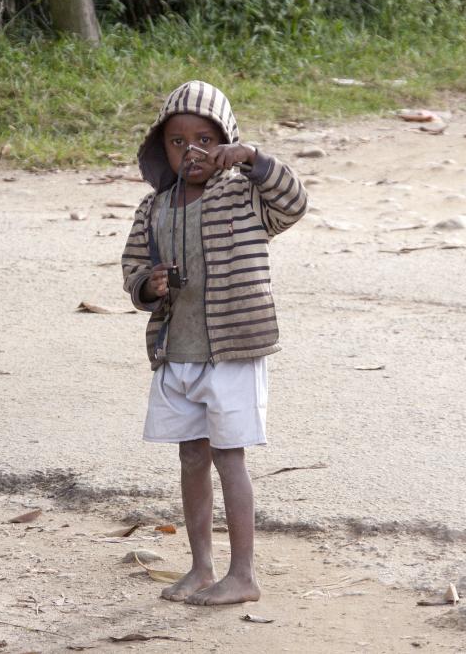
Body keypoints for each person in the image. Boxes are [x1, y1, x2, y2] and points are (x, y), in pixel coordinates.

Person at [121, 81, 308, 605]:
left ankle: (243, 575)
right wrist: (148, 284)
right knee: (191, 457)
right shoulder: (153, 208)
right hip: (176, 351)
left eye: (205, 139)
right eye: (178, 142)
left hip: (233, 351)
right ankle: (201, 567)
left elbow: (295, 204)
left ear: (226, 142)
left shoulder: (247, 195)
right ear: (162, 148)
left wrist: (253, 159)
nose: (192, 152)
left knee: (230, 458)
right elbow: (132, 268)